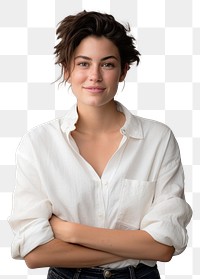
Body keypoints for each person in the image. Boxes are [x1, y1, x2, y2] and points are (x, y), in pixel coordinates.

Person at [9, 10, 192, 279]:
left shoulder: (158, 140)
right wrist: (139, 245)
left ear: (123, 71)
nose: (94, 75)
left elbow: (164, 247)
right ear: (67, 69)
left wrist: (72, 232)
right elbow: (36, 254)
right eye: (83, 63)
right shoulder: (38, 144)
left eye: (107, 64)